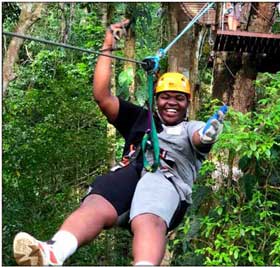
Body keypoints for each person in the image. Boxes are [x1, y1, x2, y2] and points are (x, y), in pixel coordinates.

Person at [12, 20, 225, 266]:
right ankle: (54, 251)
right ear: (156, 100)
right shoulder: (140, 119)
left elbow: (201, 137)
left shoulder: (190, 129)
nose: (172, 103)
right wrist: (108, 44)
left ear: (187, 104)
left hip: (165, 181)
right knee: (99, 198)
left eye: (179, 98)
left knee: (149, 207)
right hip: (130, 174)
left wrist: (209, 133)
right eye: (165, 97)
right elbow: (102, 96)